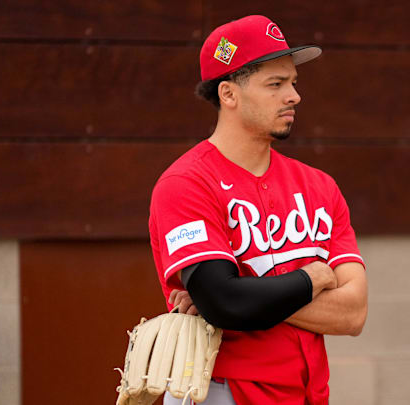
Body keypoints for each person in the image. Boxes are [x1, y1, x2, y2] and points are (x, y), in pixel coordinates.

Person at [148, 15, 368, 405]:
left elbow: (352, 314)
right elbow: (225, 301)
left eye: (293, 83)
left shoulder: (319, 185)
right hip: (218, 392)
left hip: (307, 394)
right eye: (275, 84)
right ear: (229, 94)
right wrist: (314, 277)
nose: (294, 96)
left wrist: (244, 296)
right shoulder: (186, 183)